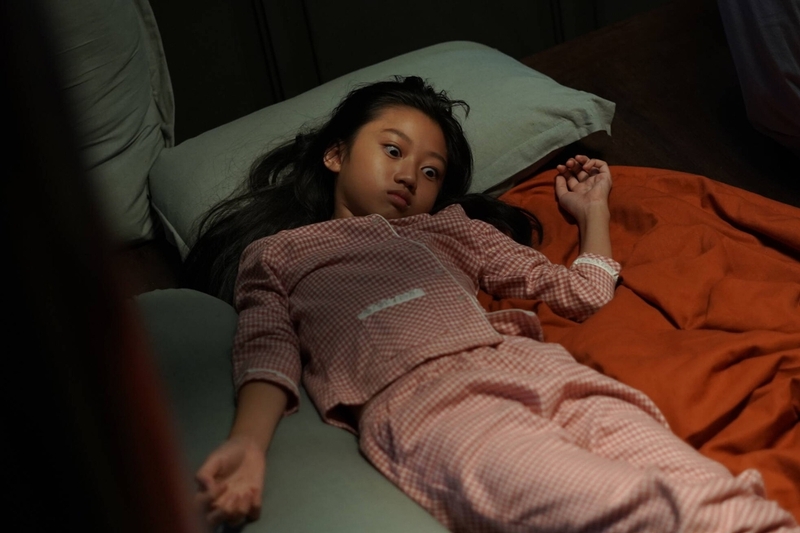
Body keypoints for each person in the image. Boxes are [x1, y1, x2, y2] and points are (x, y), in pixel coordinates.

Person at [188, 76, 799, 532]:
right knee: (624, 507)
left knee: (704, 484)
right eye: (393, 151)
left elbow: (581, 295)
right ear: (336, 154)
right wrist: (249, 445)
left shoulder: (454, 229)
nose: (411, 177)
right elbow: (266, 350)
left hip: (535, 368)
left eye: (431, 171)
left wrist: (593, 214)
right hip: (425, 404)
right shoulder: (278, 255)